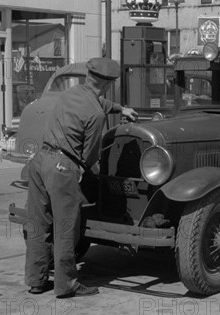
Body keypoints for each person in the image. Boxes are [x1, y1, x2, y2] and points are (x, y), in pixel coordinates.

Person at [24, 57, 138, 298]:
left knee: (39, 223)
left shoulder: (72, 92)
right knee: (66, 228)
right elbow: (89, 155)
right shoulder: (96, 115)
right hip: (62, 166)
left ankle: (36, 280)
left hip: (39, 160)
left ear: (88, 77)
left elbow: (96, 100)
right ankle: (66, 285)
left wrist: (119, 108)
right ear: (108, 84)